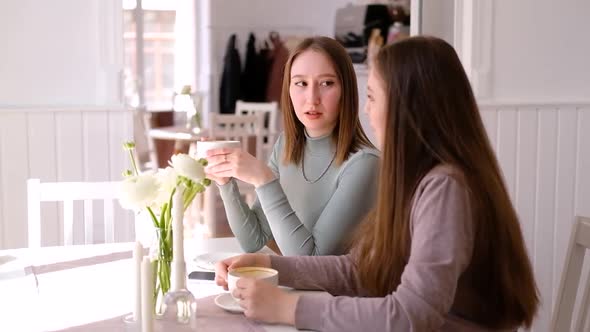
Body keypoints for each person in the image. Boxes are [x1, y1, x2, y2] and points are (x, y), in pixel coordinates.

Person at [214, 36, 540, 331]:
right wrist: (270, 264)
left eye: (372, 96)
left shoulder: (446, 188)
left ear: (407, 107)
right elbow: (362, 269)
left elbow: (411, 315)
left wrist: (287, 307)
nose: (367, 111)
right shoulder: (421, 179)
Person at [205, 37, 380, 256]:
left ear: (346, 90)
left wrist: (263, 179)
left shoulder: (365, 163)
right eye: (301, 83)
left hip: (333, 291)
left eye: (326, 83)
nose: (312, 98)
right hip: (294, 287)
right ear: (288, 89)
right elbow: (254, 239)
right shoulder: (286, 145)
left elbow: (311, 261)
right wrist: (225, 182)